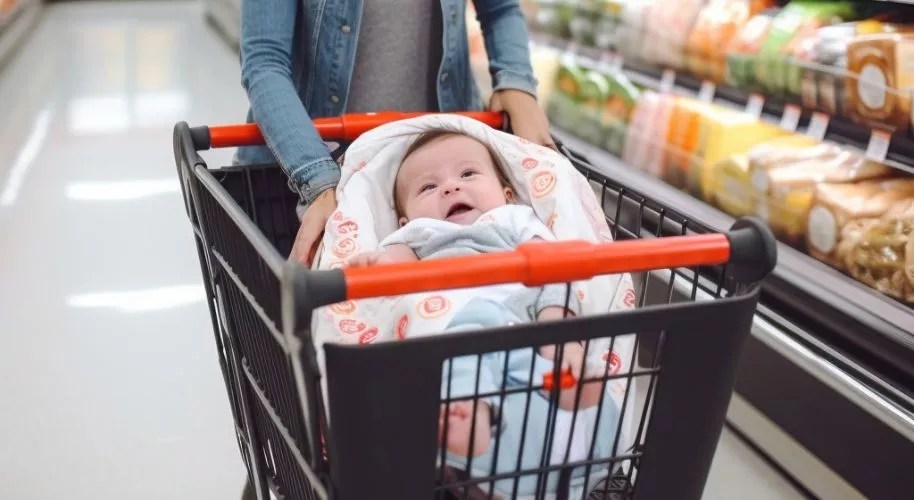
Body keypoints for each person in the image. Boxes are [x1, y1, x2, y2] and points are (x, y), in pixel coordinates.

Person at [346, 129, 606, 465]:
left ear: (508, 194)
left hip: (521, 316)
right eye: (428, 186)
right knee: (462, 348)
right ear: (404, 220)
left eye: (468, 173)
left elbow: (553, 268)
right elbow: (396, 272)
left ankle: (563, 371)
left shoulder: (512, 219)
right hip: (456, 319)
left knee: (551, 300)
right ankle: (467, 411)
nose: (451, 187)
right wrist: (375, 262)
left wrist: (559, 325)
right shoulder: (418, 234)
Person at [234, 0, 556, 265]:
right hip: (308, 178)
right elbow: (265, 61)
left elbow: (499, 8)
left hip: (432, 181)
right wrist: (317, 181)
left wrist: (516, 82)